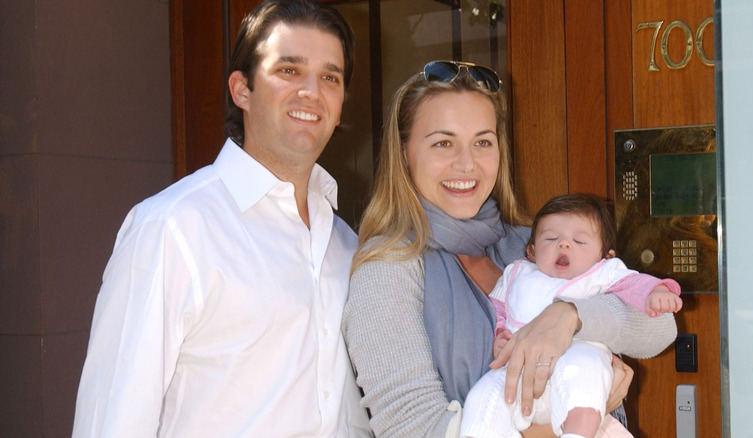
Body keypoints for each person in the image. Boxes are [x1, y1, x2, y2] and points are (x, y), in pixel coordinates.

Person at [72, 1, 371, 436]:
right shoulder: (173, 229)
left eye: (330, 77)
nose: (312, 91)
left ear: (342, 104)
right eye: (289, 70)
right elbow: (112, 421)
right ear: (241, 90)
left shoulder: (347, 247)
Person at [341, 61, 678, 438]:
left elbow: (658, 325)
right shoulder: (387, 268)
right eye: (443, 143)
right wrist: (577, 420)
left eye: (482, 142)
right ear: (403, 153)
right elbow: (412, 427)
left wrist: (569, 317)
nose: (467, 164)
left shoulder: (526, 245)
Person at [461, 193, 682, 438]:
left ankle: (578, 433)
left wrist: (655, 292)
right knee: (484, 394)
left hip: (574, 356)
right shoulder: (518, 273)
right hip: (518, 371)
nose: (564, 244)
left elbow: (633, 285)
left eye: (579, 241)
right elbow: (499, 307)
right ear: (532, 251)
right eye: (551, 238)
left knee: (586, 369)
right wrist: (500, 334)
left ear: (604, 255)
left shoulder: (601, 272)